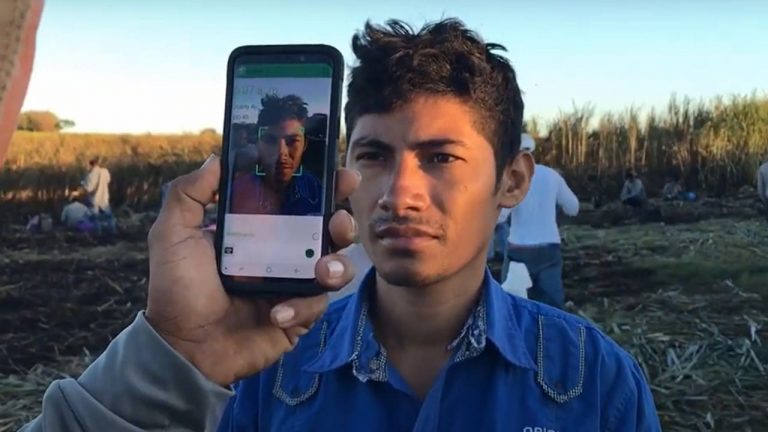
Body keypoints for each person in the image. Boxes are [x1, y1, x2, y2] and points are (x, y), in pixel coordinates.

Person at [9, 16, 660, 432]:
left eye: (441, 158)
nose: (400, 193)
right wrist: (175, 358)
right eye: (374, 155)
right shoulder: (262, 377)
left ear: (512, 179)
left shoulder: (593, 382)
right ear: (345, 168)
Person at [496, 133, 579, 309]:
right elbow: (573, 207)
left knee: (513, 302)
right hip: (549, 248)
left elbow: (501, 217)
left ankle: (519, 335)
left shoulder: (512, 179)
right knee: (551, 304)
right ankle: (549, 334)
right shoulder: (552, 176)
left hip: (519, 249)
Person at [229, 93, 323, 215]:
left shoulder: (317, 190)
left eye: (292, 141)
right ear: (258, 143)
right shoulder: (236, 191)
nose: (281, 152)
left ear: (304, 145)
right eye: (270, 140)